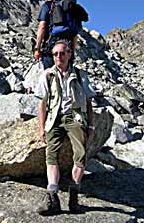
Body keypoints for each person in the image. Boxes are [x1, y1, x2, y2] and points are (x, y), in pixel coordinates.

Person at [35, 40, 96, 215]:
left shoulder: (80, 74)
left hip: (75, 117)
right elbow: (42, 103)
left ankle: (74, 196)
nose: (58, 57)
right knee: (51, 155)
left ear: (69, 54)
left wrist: (91, 127)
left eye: (62, 53)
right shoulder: (47, 75)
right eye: (55, 54)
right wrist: (41, 128)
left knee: (81, 154)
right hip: (55, 118)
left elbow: (88, 101)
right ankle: (52, 197)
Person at [34, 0, 79, 69]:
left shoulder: (47, 6)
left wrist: (37, 48)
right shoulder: (69, 9)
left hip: (51, 44)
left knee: (49, 73)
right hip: (67, 47)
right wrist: (72, 52)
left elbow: (42, 27)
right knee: (65, 74)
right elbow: (75, 33)